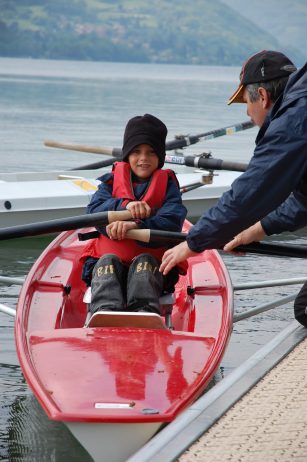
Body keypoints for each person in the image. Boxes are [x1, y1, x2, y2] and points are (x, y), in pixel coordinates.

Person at [160, 50, 307, 327]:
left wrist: (192, 244)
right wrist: (256, 228)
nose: (247, 114)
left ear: (262, 96)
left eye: (246, 104)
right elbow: (304, 201)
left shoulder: (293, 119)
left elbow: (253, 191)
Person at [81, 113, 187, 318]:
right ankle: (105, 313)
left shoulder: (169, 188)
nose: (143, 159)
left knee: (144, 264)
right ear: (127, 155)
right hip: (109, 263)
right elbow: (93, 212)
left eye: (151, 153)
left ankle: (144, 313)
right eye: (136, 151)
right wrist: (124, 208)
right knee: (107, 262)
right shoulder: (110, 183)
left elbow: (172, 222)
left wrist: (135, 225)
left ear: (160, 157)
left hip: (152, 268)